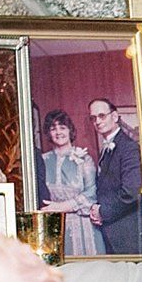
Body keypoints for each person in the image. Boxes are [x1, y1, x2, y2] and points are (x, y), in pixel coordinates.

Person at [36, 108, 102, 256]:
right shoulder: (42, 160)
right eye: (53, 128)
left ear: (70, 130)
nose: (58, 132)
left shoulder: (84, 159)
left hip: (83, 226)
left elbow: (92, 193)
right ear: (48, 133)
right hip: (54, 225)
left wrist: (62, 206)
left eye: (62, 127)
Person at [89, 97, 142, 255]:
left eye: (102, 116)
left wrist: (102, 211)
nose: (97, 121)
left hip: (127, 232)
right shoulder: (107, 147)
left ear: (114, 116)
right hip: (113, 229)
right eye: (93, 118)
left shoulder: (129, 147)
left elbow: (132, 192)